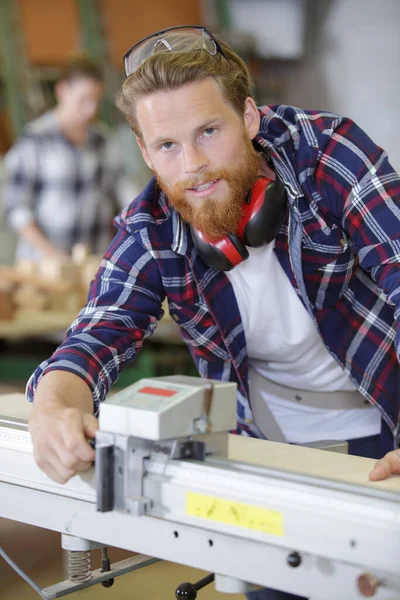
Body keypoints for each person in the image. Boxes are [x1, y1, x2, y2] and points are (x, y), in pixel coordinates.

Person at [25, 27, 400, 600]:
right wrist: (54, 404)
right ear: (145, 153)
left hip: (382, 433)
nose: (194, 166)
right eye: (168, 146)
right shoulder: (151, 227)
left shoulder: (327, 153)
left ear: (249, 118)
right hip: (260, 454)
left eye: (209, 131)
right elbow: (100, 329)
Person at [3, 56, 139, 263]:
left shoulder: (103, 140)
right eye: (83, 100)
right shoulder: (35, 139)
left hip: (92, 259)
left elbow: (124, 189)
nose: (91, 109)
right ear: (62, 91)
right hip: (43, 263)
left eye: (95, 100)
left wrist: (142, 217)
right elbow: (16, 208)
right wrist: (51, 255)